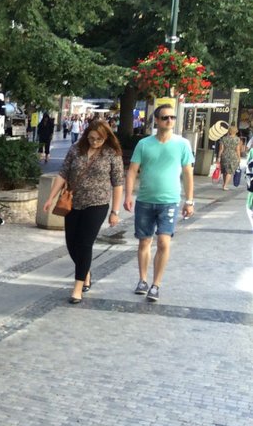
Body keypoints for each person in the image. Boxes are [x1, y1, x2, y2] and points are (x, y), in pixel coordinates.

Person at [43, 120, 124, 304]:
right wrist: (50, 197)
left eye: (99, 139)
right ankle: (85, 270)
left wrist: (115, 211)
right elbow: (63, 173)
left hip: (97, 203)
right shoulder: (75, 149)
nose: (94, 142)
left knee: (85, 243)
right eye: (91, 138)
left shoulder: (112, 154)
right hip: (73, 202)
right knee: (72, 243)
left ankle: (78, 287)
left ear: (106, 138)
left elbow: (118, 183)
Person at [123, 103, 195, 302]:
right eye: (165, 118)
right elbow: (132, 171)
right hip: (145, 200)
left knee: (164, 242)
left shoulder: (182, 144)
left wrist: (189, 201)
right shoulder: (144, 144)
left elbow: (188, 173)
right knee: (144, 241)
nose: (169, 121)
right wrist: (128, 196)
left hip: (170, 201)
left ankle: (156, 284)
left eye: (172, 117)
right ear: (156, 120)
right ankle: (142, 280)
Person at [216, 125, 242, 192]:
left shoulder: (224, 139)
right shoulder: (237, 139)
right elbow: (238, 150)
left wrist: (218, 157)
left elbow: (221, 149)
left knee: (225, 171)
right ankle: (225, 185)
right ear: (236, 131)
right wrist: (239, 158)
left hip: (224, 156)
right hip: (233, 156)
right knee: (229, 172)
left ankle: (224, 184)